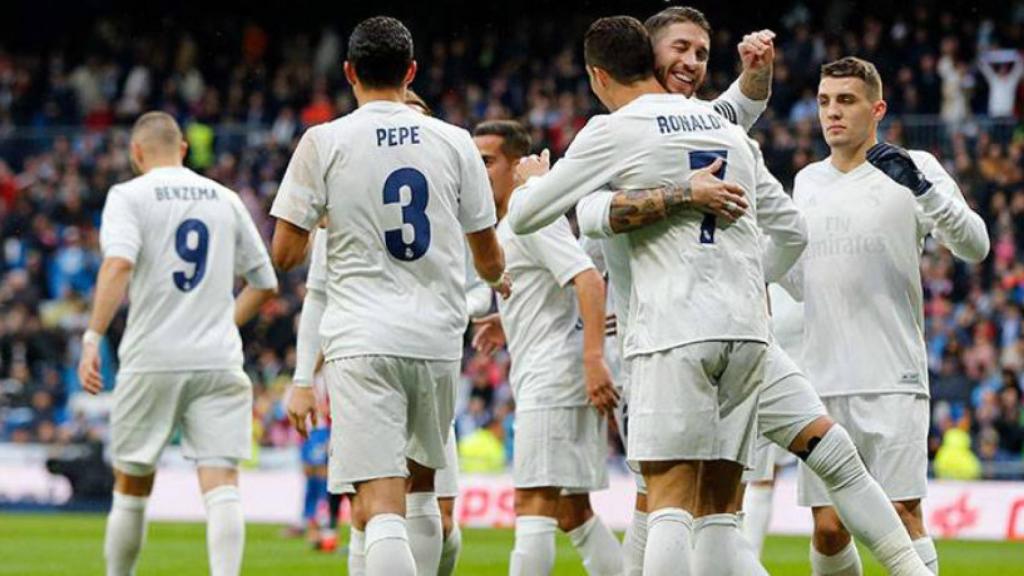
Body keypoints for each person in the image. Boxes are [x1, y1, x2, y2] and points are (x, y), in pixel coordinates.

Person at [572, 9, 935, 576]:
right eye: (680, 49)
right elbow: (580, 216)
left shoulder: (704, 122)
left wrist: (756, 72)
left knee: (715, 502)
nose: (692, 64)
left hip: (726, 332)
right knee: (673, 501)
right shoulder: (613, 135)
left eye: (701, 54)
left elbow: (742, 111)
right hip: (658, 339)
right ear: (644, 57)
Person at [506, 16, 804, 575]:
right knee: (718, 509)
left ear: (598, 75)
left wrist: (528, 182)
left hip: (674, 330)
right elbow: (795, 232)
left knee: (666, 499)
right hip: (745, 332)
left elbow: (525, 217)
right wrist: (757, 281)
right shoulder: (722, 126)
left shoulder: (612, 129)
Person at [269, 16, 508, 576]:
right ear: (412, 72)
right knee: (423, 492)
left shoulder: (323, 141)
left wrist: (330, 216)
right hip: (435, 338)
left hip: (361, 338)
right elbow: (489, 256)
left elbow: (284, 255)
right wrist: (498, 280)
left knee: (378, 505)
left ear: (348, 72)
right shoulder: (454, 141)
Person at [787, 56, 989, 575]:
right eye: (825, 101)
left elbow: (975, 245)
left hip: (892, 375)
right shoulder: (807, 181)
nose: (832, 112)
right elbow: (798, 277)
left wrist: (923, 187)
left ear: (877, 108)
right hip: (822, 379)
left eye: (846, 101)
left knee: (902, 511)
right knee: (829, 527)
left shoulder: (912, 165)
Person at [78, 111, 278, 576]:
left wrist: (92, 337)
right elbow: (265, 282)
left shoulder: (128, 196)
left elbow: (117, 266)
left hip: (153, 357)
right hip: (217, 359)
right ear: (184, 148)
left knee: (131, 484)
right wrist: (221, 323)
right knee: (222, 481)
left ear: (136, 153)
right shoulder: (225, 198)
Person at [286, 89, 471, 575]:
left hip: (389, 353)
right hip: (426, 350)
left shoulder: (439, 201)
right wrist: (304, 377)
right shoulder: (348, 210)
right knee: (371, 507)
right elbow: (319, 295)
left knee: (420, 509)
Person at [472, 119, 622, 576]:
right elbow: (558, 281)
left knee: (532, 503)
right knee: (571, 510)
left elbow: (588, 279)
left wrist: (593, 359)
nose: (478, 172)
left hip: (555, 376)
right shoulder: (508, 221)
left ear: (516, 166)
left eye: (488, 162)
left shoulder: (526, 212)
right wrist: (507, 319)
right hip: (552, 371)